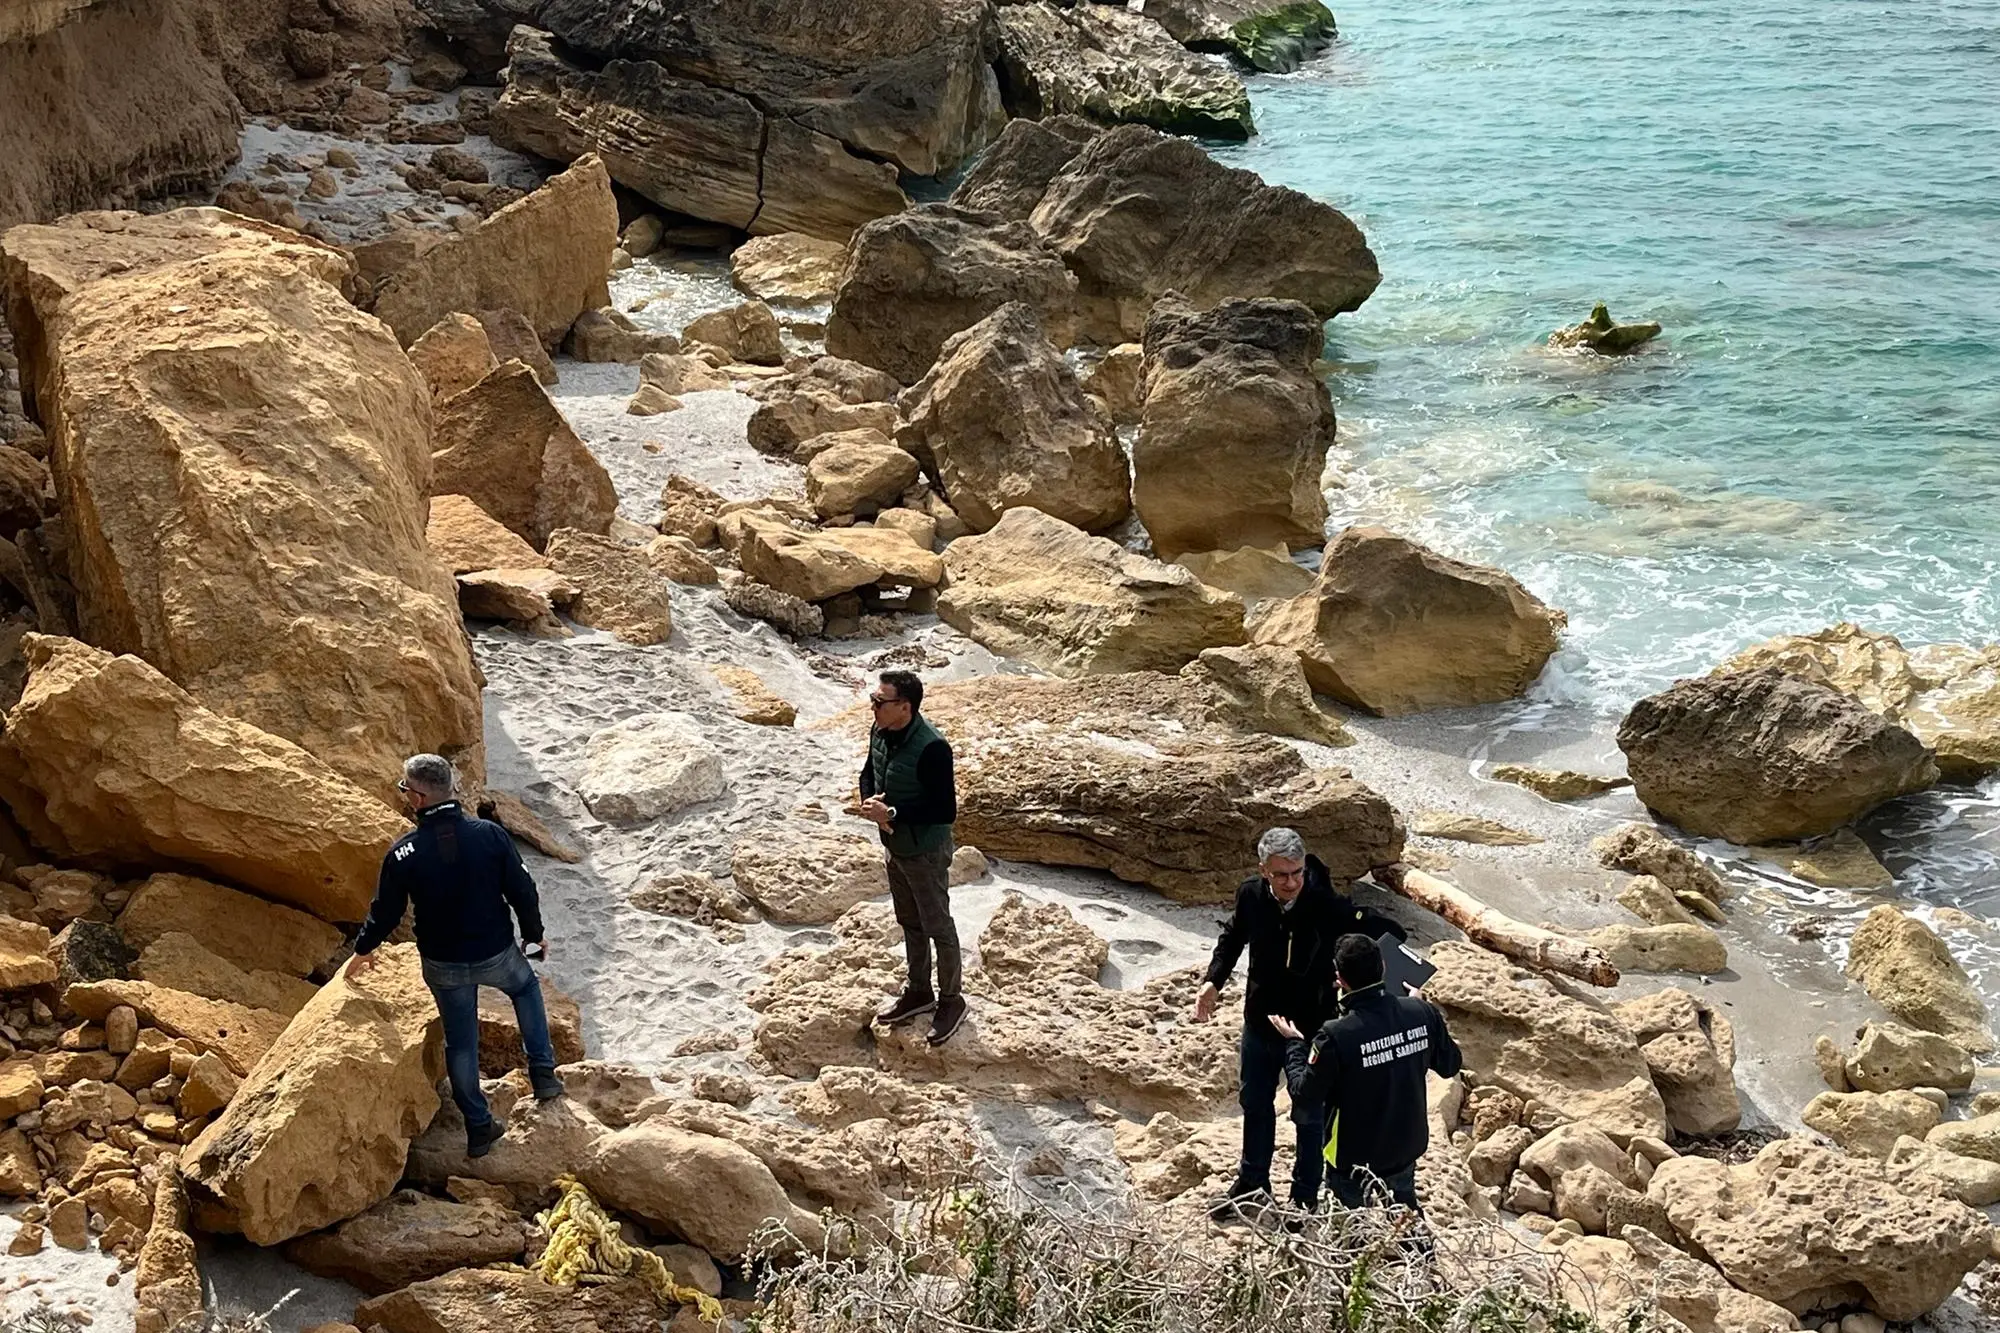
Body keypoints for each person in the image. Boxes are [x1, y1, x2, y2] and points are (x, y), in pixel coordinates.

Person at [346, 754, 559, 1158]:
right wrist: (534, 936)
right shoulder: (490, 836)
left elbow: (385, 910)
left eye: (404, 788)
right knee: (526, 990)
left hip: (443, 964)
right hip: (495, 950)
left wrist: (363, 949)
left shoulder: (403, 853)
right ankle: (543, 1075)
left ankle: (479, 1129)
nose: (404, 794)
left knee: (461, 1044)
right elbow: (523, 891)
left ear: (419, 797)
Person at [1194, 828, 1407, 1216]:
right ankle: (1252, 1184)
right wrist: (1213, 981)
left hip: (1312, 1028)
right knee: (1254, 1104)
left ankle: (1304, 1197)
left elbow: (1379, 935)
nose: (1291, 882)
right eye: (1281, 875)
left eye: (1297, 872)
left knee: (1308, 1116)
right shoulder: (1250, 895)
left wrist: (1394, 981)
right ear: (1264, 871)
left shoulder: (1325, 904)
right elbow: (1233, 937)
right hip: (1261, 1020)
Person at [1272, 933, 1463, 1211]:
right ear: (1383, 966)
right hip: (1405, 1145)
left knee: (1351, 1230)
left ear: (1340, 978)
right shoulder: (1420, 1012)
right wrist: (1419, 1008)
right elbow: (1449, 1065)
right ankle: (1418, 1253)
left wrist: (1294, 1045)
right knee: (1404, 1221)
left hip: (1352, 1154)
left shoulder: (1335, 1035)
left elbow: (1304, 1095)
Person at [857, 670, 965, 1047]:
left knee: (938, 924)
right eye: (873, 698)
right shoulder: (880, 731)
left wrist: (895, 815)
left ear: (905, 707)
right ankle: (919, 991)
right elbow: (869, 772)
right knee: (909, 921)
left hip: (925, 850)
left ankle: (952, 1000)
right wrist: (870, 801)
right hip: (895, 846)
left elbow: (944, 808)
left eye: (880, 701)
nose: (873, 706)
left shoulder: (934, 746)